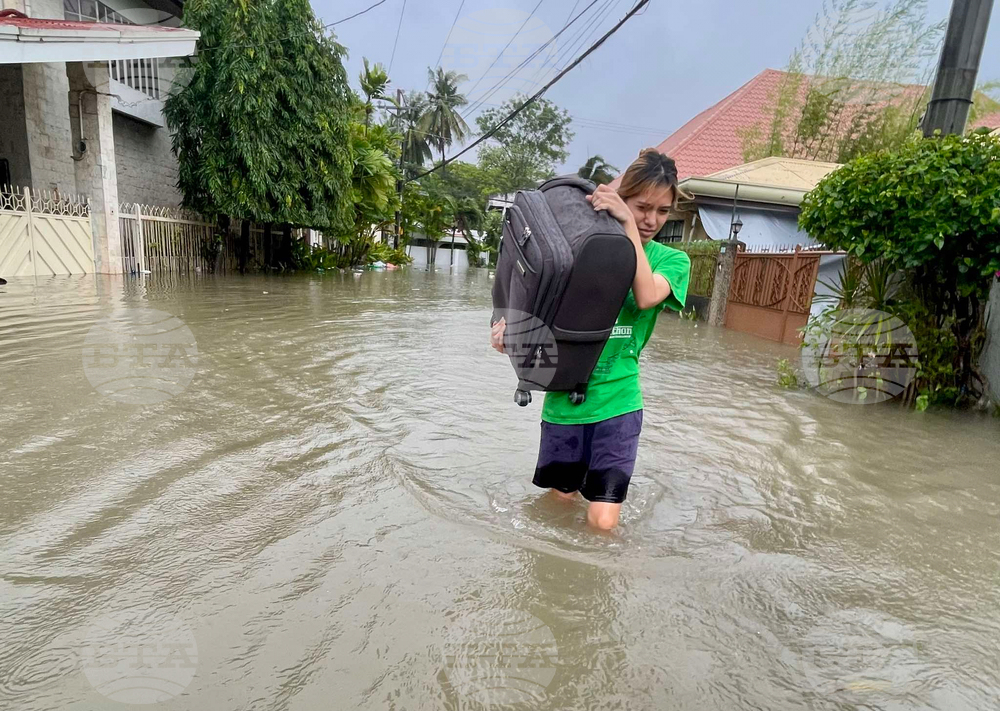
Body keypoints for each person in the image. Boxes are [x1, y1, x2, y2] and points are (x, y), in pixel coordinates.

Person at [490, 149, 691, 531]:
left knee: (602, 523)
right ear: (623, 198)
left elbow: (646, 296)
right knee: (558, 508)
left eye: (663, 211)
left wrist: (627, 227)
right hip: (565, 400)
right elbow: (536, 298)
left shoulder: (672, 261)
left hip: (619, 402)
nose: (651, 220)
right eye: (641, 206)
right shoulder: (582, 248)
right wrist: (507, 331)